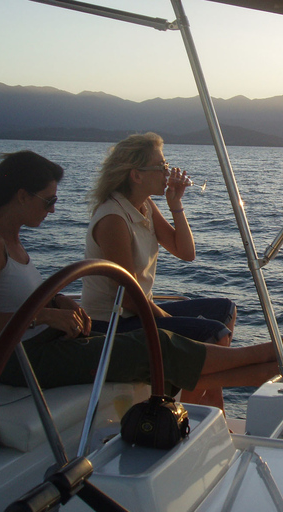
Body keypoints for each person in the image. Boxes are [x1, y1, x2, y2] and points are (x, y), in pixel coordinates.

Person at [0, 150, 283, 397]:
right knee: (153, 344)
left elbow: (18, 297)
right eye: (48, 201)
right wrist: (45, 315)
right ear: (21, 196)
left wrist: (60, 300)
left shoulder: (11, 240)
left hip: (46, 344)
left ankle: (268, 366)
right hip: (20, 362)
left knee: (163, 345)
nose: (53, 210)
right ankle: (269, 355)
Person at [81, 133, 235, 408]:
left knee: (225, 310)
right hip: (112, 322)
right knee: (215, 334)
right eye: (161, 166)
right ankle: (194, 411)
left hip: (138, 309)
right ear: (136, 175)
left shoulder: (144, 206)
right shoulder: (113, 219)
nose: (168, 172)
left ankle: (202, 407)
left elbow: (186, 253)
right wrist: (164, 316)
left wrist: (175, 204)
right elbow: (128, 297)